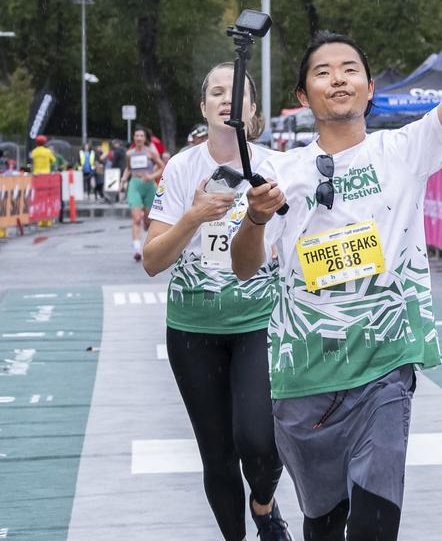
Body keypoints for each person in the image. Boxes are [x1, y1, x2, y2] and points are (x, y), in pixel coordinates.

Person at [229, 0, 442, 541]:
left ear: (370, 87)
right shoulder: (279, 173)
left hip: (384, 370)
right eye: (323, 72)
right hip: (306, 381)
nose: (338, 79)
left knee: (376, 524)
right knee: (324, 526)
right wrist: (256, 218)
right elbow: (243, 266)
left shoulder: (403, 151)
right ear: (304, 96)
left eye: (350, 69)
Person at [142, 62, 291, 541]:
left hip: (259, 325)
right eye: (216, 92)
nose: (226, 99)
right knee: (218, 454)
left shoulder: (277, 168)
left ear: (252, 109)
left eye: (237, 92)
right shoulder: (183, 168)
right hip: (193, 331)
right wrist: (193, 217)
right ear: (204, 107)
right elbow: (152, 260)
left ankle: (264, 506)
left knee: (262, 444)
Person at [120, 127, 165, 261]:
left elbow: (162, 166)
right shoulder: (129, 154)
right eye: (137, 136)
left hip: (149, 186)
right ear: (134, 138)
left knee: (147, 221)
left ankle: (148, 237)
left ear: (145, 138)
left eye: (141, 136)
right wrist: (123, 181)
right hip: (134, 184)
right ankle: (137, 249)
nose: (139, 138)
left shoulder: (151, 153)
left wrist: (151, 176)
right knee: (136, 219)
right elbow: (128, 169)